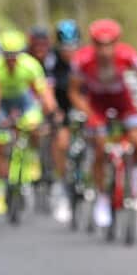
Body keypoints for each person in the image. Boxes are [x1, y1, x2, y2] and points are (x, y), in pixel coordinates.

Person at [68, 18, 137, 230]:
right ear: (93, 44)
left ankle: (133, 172)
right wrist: (89, 114)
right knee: (100, 147)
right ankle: (102, 196)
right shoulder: (81, 59)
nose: (105, 51)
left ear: (117, 43)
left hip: (123, 102)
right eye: (100, 45)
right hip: (97, 105)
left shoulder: (129, 55)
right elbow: (73, 92)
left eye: (109, 44)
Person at [0, 30, 56, 216]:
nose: (11, 59)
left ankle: (32, 157)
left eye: (15, 55)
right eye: (7, 55)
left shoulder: (30, 65)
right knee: (1, 147)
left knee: (34, 126)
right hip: (1, 101)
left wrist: (51, 111)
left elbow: (43, 92)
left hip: (23, 101)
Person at [45, 19, 79, 222]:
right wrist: (54, 111)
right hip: (61, 104)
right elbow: (47, 89)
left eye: (73, 46)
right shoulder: (52, 60)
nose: (69, 51)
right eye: (65, 47)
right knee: (61, 142)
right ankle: (61, 180)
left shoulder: (84, 58)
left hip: (81, 103)